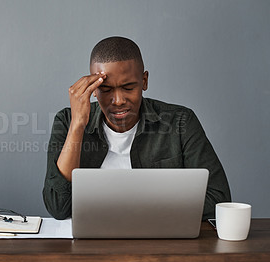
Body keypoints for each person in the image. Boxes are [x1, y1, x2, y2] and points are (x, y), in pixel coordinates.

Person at [43, 36, 231, 221]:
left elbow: (218, 199)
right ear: (93, 89)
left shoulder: (180, 122)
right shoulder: (67, 121)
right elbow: (58, 207)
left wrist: (138, 212)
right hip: (91, 247)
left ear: (144, 81)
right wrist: (77, 126)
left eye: (128, 88)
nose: (118, 101)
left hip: (160, 243)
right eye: (106, 90)